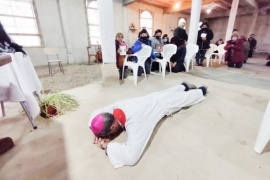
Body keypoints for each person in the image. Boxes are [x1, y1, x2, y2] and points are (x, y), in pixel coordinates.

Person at [88, 82, 207, 168]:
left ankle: (201, 90)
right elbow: (95, 114)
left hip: (164, 104)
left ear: (112, 127)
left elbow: (131, 157)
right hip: (152, 97)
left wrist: (107, 147)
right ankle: (183, 86)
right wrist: (96, 130)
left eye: (109, 133)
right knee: (168, 93)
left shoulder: (136, 123)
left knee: (184, 99)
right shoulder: (114, 107)